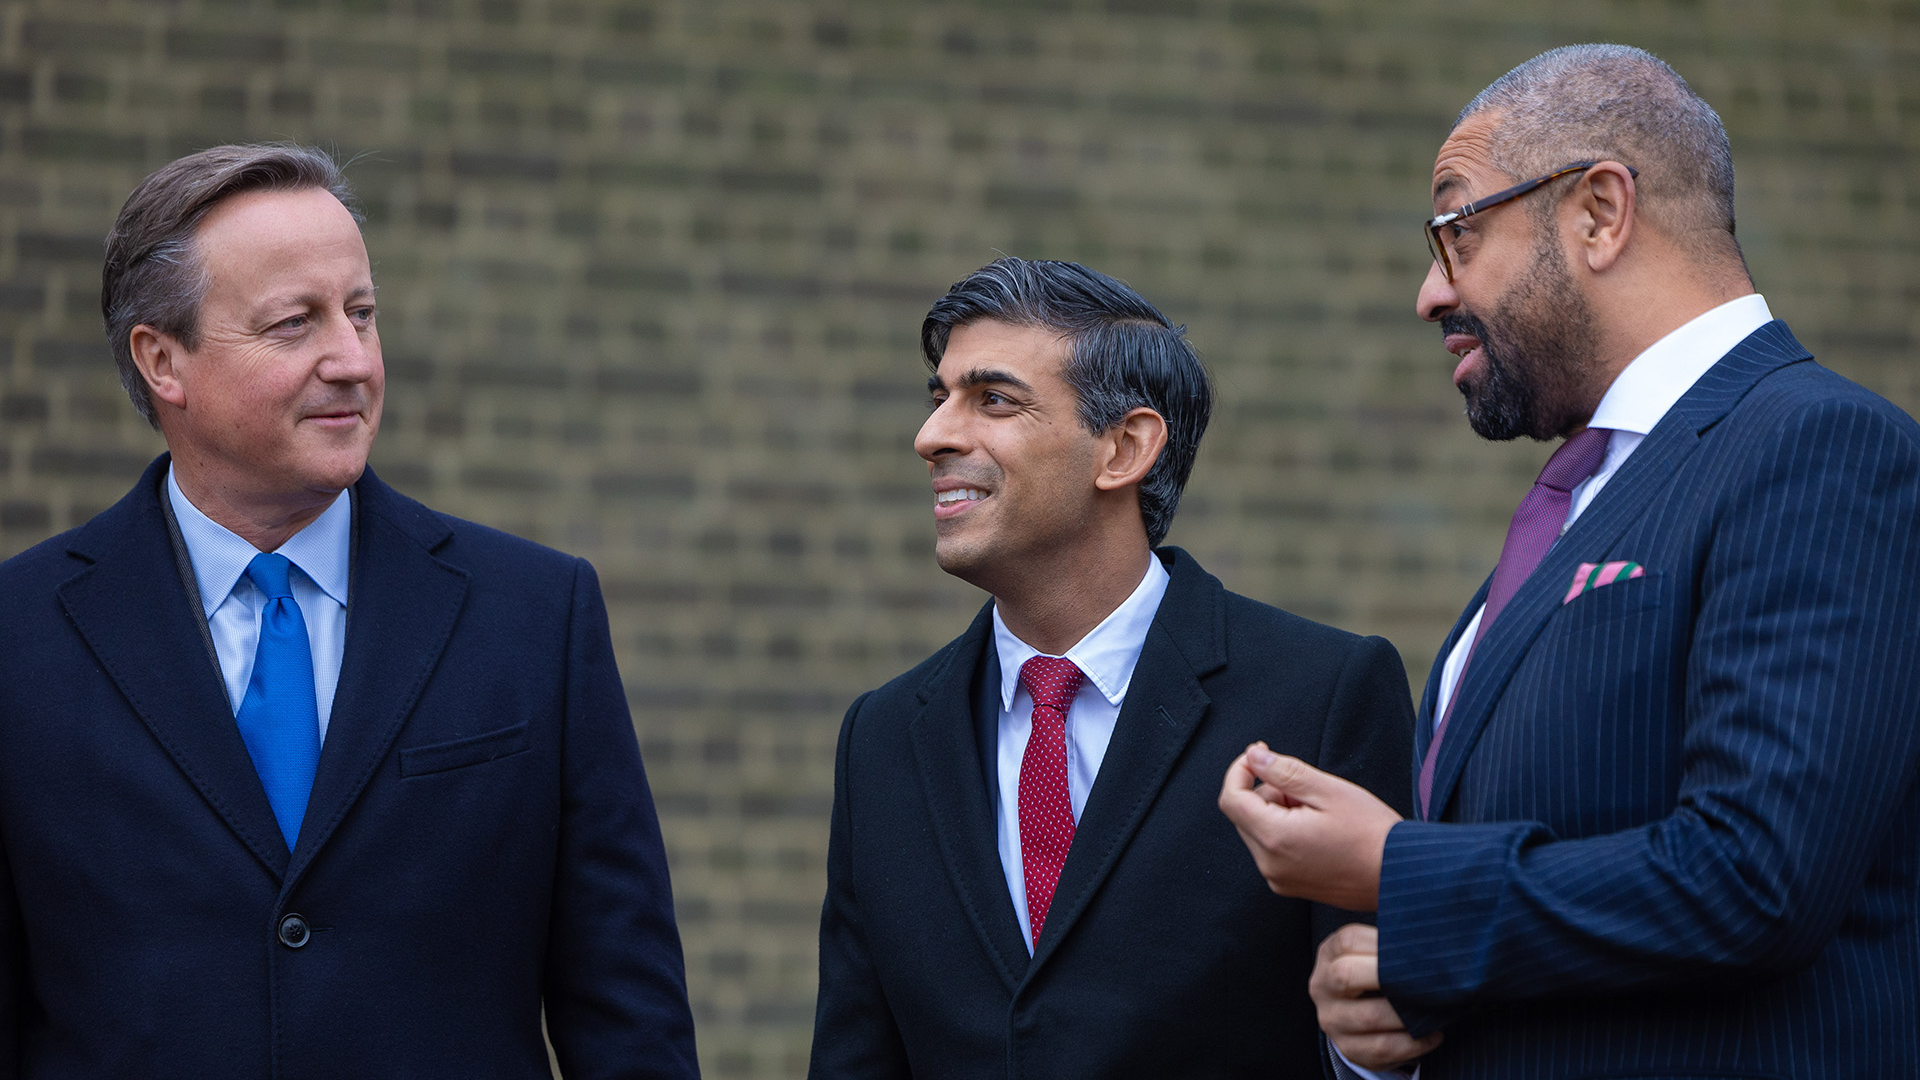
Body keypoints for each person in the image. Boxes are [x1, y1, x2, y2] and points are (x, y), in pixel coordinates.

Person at [1219, 44, 1920, 1080]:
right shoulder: (1579, 501)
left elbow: (1756, 879)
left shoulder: (1817, 445)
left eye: (1457, 231)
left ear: (1599, 212)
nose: (1428, 292)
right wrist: (1387, 1010)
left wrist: (1395, 870)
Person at [0, 144, 698, 1078]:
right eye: (295, 324)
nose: (352, 359)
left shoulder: (535, 617)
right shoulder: (19, 637)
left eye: (362, 314)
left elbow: (629, 1021)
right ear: (163, 361)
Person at [808, 257, 1414, 1078]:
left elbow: (1381, 1028)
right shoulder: (879, 739)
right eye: (939, 398)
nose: (933, 436)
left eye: (992, 399)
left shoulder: (1320, 696)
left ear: (1124, 447)